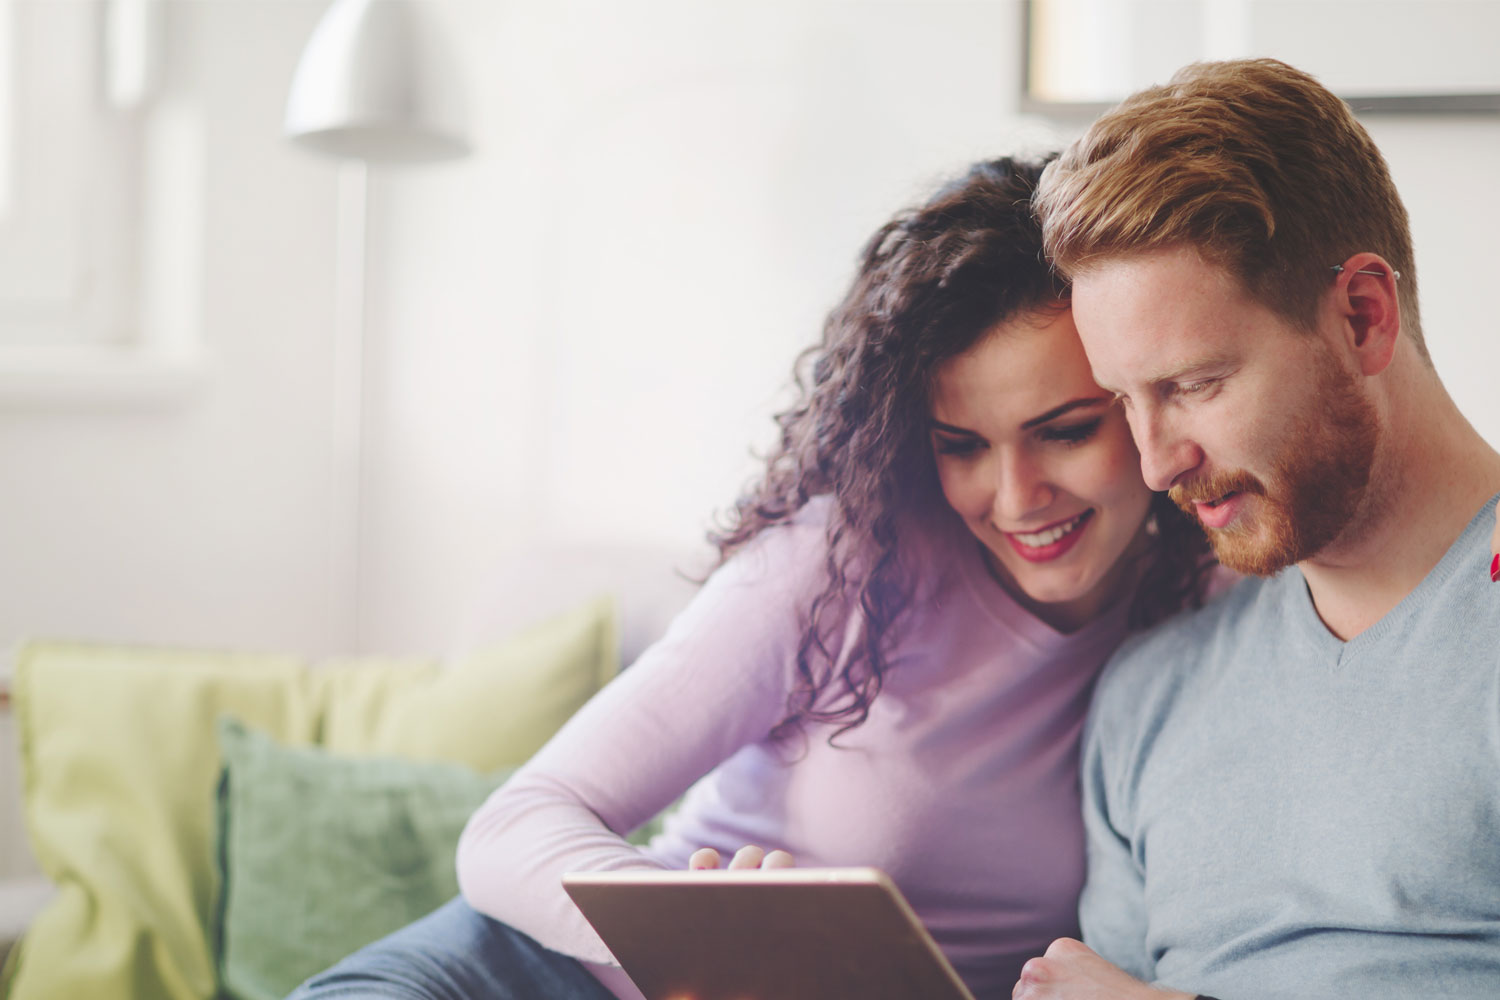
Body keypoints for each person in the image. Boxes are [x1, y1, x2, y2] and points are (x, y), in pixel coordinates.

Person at [287, 156, 1215, 1000]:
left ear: (1143, 401)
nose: (1014, 499)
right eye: (961, 446)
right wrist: (718, 942)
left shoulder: (1217, 612)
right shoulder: (845, 562)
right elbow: (514, 826)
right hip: (529, 974)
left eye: (1063, 430)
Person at [1013, 58, 1500, 1000]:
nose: (1156, 465)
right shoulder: (1152, 699)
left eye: (1194, 386)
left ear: (1363, 317)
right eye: (1124, 402)